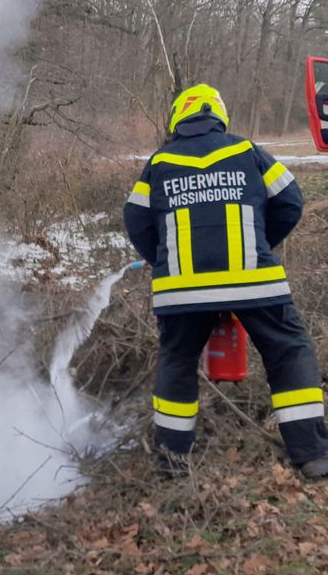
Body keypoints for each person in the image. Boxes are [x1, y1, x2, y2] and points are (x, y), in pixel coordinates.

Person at [123, 83, 328, 479]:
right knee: (288, 351)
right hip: (255, 281)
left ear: (177, 119)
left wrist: (163, 261)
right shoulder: (247, 151)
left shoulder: (159, 162)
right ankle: (312, 454)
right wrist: (261, 242)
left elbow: (135, 220)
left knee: (178, 361)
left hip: (180, 289)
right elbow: (291, 201)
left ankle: (171, 464)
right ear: (219, 115)